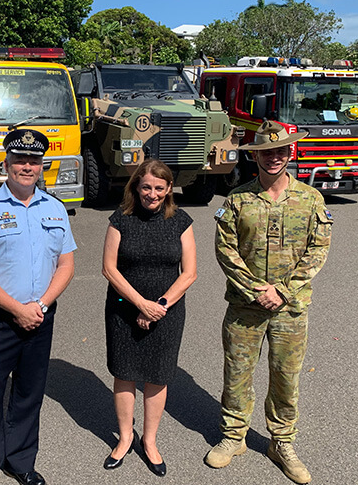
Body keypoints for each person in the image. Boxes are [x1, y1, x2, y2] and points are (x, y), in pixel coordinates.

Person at [205, 121, 333, 484]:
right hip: (245, 307)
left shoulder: (310, 199)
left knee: (286, 378)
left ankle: (282, 442)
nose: (273, 157)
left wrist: (283, 290)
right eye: (266, 152)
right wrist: (255, 288)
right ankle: (233, 437)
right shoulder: (238, 199)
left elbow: (317, 250)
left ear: (289, 153)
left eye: (280, 151)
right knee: (237, 374)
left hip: (290, 309)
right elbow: (226, 249)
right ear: (256, 156)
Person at [0, 128, 76, 485]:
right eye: (20, 160)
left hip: (40, 316)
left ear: (42, 166)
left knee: (29, 396)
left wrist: (39, 305)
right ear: (7, 163)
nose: (27, 166)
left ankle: (20, 461)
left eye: (34, 160)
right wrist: (17, 308)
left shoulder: (55, 208)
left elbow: (66, 264)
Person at [101, 158, 197, 477]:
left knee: (157, 374)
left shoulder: (181, 221)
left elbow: (190, 273)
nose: (151, 194)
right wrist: (141, 304)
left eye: (158, 187)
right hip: (123, 307)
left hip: (167, 310)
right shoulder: (120, 219)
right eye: (146, 187)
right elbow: (109, 269)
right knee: (125, 372)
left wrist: (159, 305)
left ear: (169, 188)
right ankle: (125, 438)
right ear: (136, 187)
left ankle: (150, 441)